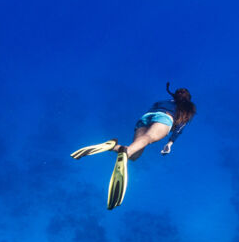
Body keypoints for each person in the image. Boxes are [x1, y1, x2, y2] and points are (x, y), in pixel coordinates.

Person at [69, 82, 197, 210]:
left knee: (135, 155)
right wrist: (170, 143)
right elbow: (179, 128)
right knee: (148, 138)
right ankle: (125, 152)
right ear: (187, 99)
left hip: (146, 118)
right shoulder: (186, 108)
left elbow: (153, 110)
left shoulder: (163, 101)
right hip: (165, 119)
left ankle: (112, 146)